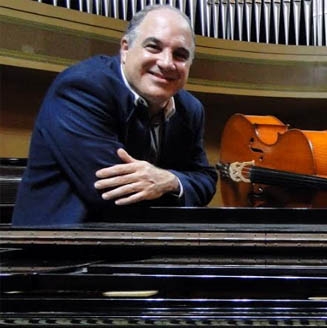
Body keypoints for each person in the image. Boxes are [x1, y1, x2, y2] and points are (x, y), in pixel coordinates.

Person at [12, 5, 217, 226]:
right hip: (58, 247)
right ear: (125, 49)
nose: (167, 63)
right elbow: (114, 194)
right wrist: (180, 185)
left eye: (180, 55)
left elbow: (206, 179)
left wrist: (170, 181)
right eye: (153, 47)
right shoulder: (82, 88)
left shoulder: (190, 109)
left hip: (143, 243)